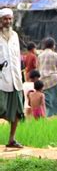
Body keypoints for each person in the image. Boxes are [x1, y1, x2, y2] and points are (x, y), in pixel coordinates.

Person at [0, 8, 24, 148]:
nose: (8, 21)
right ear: (0, 21)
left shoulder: (15, 35)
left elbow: (17, 57)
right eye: (5, 19)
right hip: (1, 79)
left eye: (10, 19)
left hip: (15, 78)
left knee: (17, 111)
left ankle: (11, 139)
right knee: (1, 108)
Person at [38, 38, 57, 118]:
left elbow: (37, 67)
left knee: (47, 100)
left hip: (43, 81)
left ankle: (48, 116)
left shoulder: (40, 56)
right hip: (54, 80)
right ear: (53, 46)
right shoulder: (55, 55)